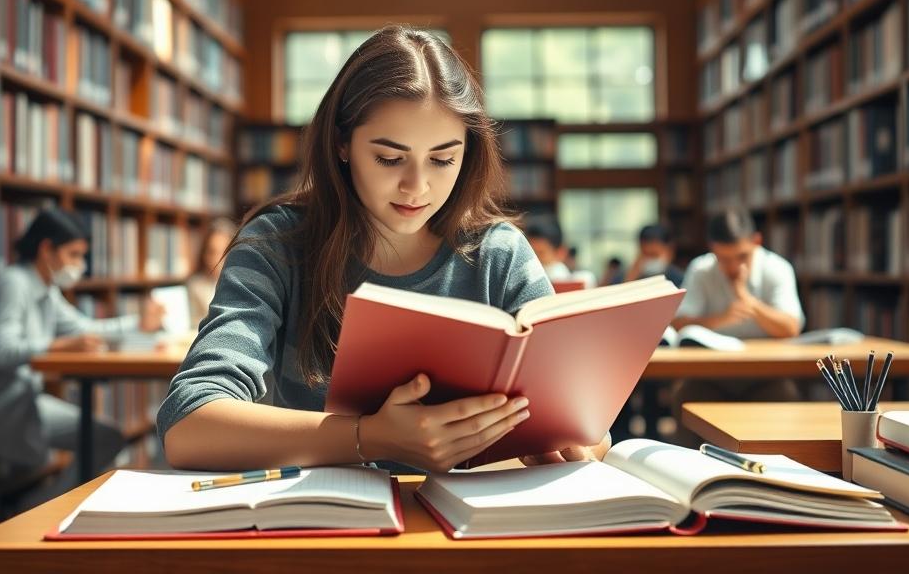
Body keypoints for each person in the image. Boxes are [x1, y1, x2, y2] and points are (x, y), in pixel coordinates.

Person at [158, 26, 610, 473]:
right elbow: (188, 423)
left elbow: (586, 420)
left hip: (473, 515)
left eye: (443, 159)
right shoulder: (277, 245)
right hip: (327, 515)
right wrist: (369, 436)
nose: (417, 186)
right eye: (390, 159)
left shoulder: (499, 254)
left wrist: (579, 437)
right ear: (342, 143)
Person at [0, 208, 166, 478]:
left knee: (106, 438)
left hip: (26, 397)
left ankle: (54, 502)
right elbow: (1, 351)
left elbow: (85, 328)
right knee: (104, 439)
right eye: (73, 255)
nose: (80, 265)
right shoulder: (13, 285)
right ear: (46, 249)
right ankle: (52, 504)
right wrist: (58, 346)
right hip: (3, 404)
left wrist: (138, 324)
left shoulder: (47, 288)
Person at [666, 208, 805, 445]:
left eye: (741, 257)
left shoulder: (777, 268)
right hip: (710, 376)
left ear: (756, 241)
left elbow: (791, 327)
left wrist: (748, 301)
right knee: (685, 397)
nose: (732, 266)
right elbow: (677, 323)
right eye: (723, 259)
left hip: (766, 376)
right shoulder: (701, 269)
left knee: (786, 398)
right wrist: (720, 319)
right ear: (712, 248)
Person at [186, 217, 239, 321]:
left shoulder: (241, 285)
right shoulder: (195, 286)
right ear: (204, 253)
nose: (216, 260)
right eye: (211, 252)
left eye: (223, 253)